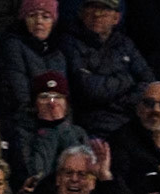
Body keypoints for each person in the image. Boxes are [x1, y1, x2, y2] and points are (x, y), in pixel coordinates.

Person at [59, 0, 153, 137]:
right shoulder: (69, 43)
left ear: (116, 18)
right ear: (81, 13)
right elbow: (89, 90)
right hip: (89, 127)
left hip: (128, 122)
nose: (97, 14)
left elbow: (148, 83)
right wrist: (127, 80)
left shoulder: (125, 44)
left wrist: (124, 102)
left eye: (104, 9)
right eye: (92, 7)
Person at [9, 69, 88, 189]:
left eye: (58, 96)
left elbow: (79, 172)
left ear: (66, 103)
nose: (52, 103)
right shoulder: (22, 133)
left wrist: (61, 126)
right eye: (44, 97)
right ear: (34, 104)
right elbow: (36, 175)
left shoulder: (78, 133)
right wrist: (48, 129)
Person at [0, 0, 64, 128]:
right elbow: (18, 95)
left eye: (45, 16)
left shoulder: (58, 53)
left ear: (53, 22)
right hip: (24, 122)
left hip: (55, 120)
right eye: (32, 15)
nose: (39, 21)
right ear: (23, 20)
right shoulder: (12, 46)